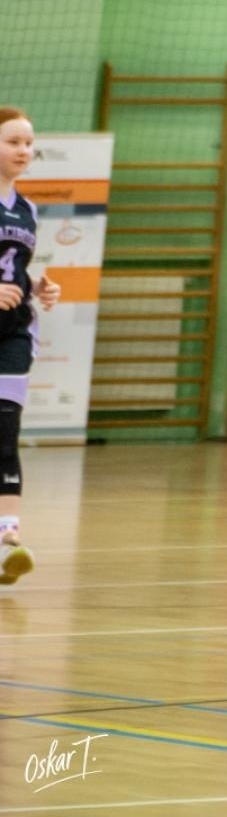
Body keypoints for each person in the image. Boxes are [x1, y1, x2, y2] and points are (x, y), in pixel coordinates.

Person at [0, 107, 61, 586]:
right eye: (13, 142)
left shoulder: (27, 209)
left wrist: (39, 286)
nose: (24, 150)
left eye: (28, 143)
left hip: (12, 332)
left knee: (5, 429)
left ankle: (7, 541)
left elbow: (13, 268)